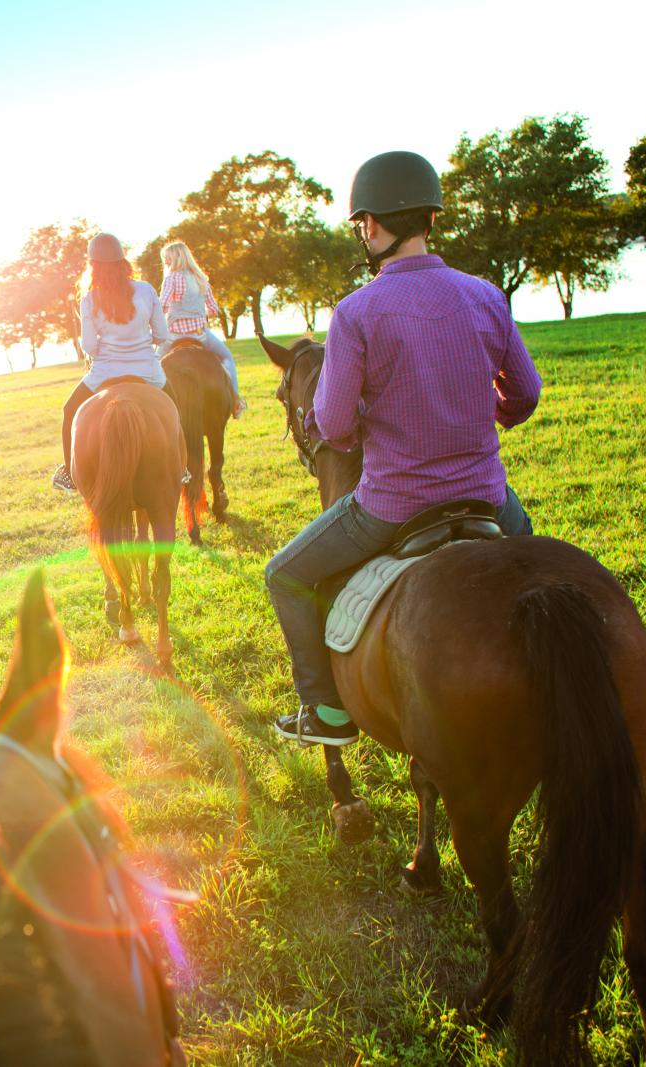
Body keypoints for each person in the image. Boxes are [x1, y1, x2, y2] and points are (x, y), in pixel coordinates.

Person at [264, 150, 542, 746]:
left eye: (362, 223)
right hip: (487, 497)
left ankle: (327, 713)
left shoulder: (356, 311)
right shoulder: (486, 296)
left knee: (285, 575)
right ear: (428, 218)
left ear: (370, 224)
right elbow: (525, 394)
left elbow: (334, 428)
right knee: (542, 576)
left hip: (391, 506)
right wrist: (477, 413)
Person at [51, 233, 174, 493]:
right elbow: (162, 335)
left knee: (69, 410)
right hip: (148, 371)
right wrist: (141, 341)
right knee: (176, 407)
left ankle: (69, 474)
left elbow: (89, 346)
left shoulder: (89, 300)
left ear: (92, 265)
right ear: (123, 261)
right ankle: (180, 466)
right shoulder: (147, 290)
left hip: (105, 372)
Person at [159, 240, 244, 417]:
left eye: (167, 258)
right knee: (227, 357)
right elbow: (214, 309)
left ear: (175, 258)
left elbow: (163, 305)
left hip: (173, 336)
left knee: (152, 362)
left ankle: (151, 405)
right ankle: (236, 401)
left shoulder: (170, 278)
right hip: (200, 335)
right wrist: (197, 314)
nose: (165, 261)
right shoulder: (200, 278)